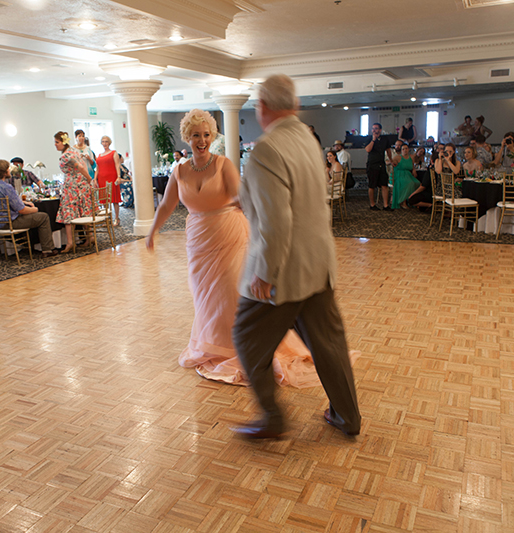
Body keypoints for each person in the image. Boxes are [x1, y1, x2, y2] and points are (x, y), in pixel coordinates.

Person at [145, 108, 322, 389]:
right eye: (195, 136)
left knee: (230, 294)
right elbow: (167, 205)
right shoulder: (179, 170)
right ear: (186, 138)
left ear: (212, 136)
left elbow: (241, 196)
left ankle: (247, 348)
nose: (201, 140)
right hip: (198, 241)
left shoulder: (223, 164)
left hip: (229, 235)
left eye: (206, 135)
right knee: (207, 297)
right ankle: (216, 347)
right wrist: (152, 230)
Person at [231, 74, 361, 439]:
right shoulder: (307, 138)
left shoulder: (265, 150)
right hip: (318, 263)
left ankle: (272, 419)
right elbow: (298, 198)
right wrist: (246, 198)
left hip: (283, 272)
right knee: (329, 345)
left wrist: (265, 274)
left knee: (246, 337)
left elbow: (277, 220)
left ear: (262, 107)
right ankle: (347, 417)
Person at [0, 160, 59, 258]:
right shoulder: (6, 187)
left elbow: (4, 202)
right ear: (5, 172)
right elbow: (22, 210)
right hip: (8, 223)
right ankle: (47, 250)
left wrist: (24, 202)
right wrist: (35, 209)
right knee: (43, 217)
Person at [54, 131, 93, 253]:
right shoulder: (74, 151)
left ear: (63, 142)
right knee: (83, 209)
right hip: (81, 185)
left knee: (69, 212)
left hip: (72, 186)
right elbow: (83, 165)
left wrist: (89, 178)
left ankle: (70, 243)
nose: (55, 145)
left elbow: (81, 167)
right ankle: (90, 236)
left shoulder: (67, 155)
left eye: (57, 142)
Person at [95, 135, 122, 226]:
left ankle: (117, 218)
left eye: (106, 141)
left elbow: (117, 165)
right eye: (103, 141)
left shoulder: (114, 153)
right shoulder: (99, 155)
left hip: (112, 177)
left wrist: (118, 176)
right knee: (104, 199)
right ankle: (107, 218)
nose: (105, 143)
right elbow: (97, 169)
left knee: (114, 199)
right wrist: (95, 179)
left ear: (109, 143)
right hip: (101, 178)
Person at [366, 122, 393, 210]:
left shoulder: (385, 139)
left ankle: (385, 205)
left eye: (376, 128)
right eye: (373, 128)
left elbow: (388, 150)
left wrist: (391, 160)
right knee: (372, 185)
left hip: (381, 164)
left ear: (380, 130)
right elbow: (368, 149)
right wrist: (373, 140)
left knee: (384, 184)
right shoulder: (369, 138)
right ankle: (372, 204)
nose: (374, 130)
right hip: (372, 165)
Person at [391, 144, 420, 209]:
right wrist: (393, 163)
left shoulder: (411, 157)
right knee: (409, 183)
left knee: (417, 183)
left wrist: (414, 170)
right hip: (400, 174)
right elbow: (391, 162)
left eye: (406, 148)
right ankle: (402, 201)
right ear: (401, 150)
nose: (405, 150)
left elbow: (412, 166)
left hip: (408, 174)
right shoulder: (398, 157)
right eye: (403, 149)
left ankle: (412, 201)